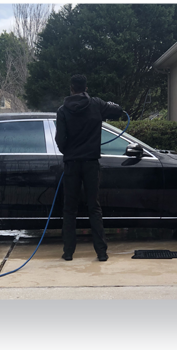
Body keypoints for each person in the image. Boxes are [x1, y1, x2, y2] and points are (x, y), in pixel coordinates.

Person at [55, 74, 123, 262]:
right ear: (85, 88)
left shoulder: (62, 110)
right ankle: (101, 253)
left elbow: (60, 140)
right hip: (91, 163)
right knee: (94, 207)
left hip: (71, 164)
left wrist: (69, 152)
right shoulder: (96, 104)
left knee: (69, 209)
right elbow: (118, 111)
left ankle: (68, 253)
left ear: (71, 88)